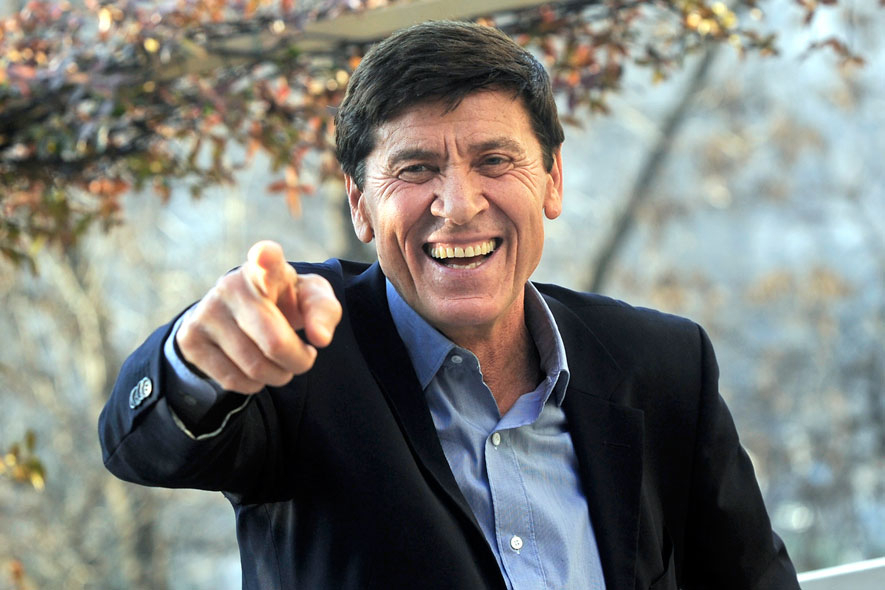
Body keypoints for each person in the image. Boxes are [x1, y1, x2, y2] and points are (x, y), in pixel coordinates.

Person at [99, 20, 801, 590]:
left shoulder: (663, 364)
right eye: (416, 168)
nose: (458, 205)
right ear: (360, 204)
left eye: (494, 160)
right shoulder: (300, 350)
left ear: (552, 180)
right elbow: (141, 447)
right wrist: (195, 363)